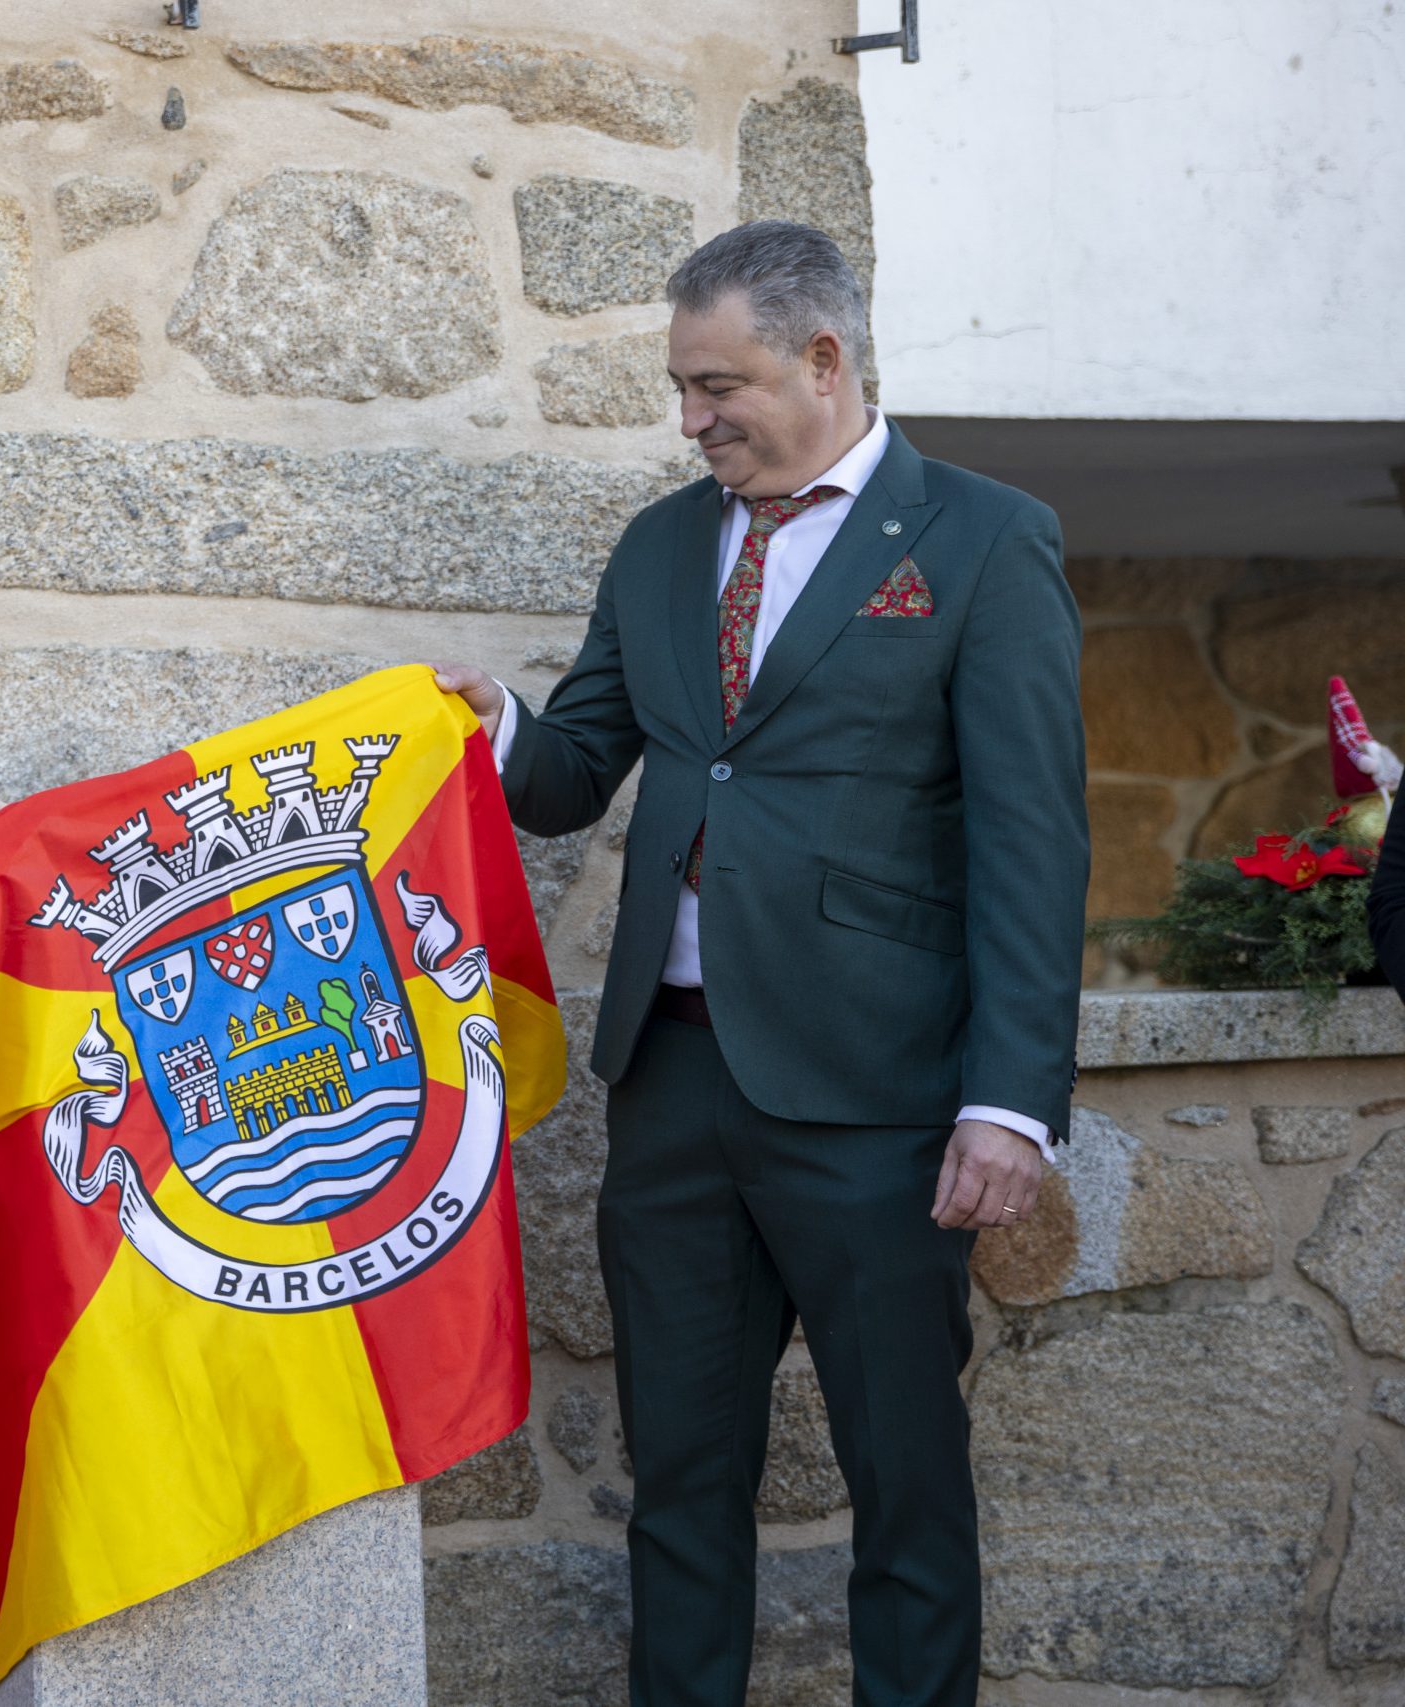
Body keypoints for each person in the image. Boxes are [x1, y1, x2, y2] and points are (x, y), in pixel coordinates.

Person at [434, 219, 1087, 1705]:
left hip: (881, 1100)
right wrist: (499, 730)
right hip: (670, 1087)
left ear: (824, 359)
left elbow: (1034, 840)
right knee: (678, 1492)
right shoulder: (666, 541)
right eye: (681, 388)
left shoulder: (984, 539)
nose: (693, 419)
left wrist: (1012, 1101)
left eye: (717, 384)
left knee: (906, 1495)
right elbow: (578, 768)